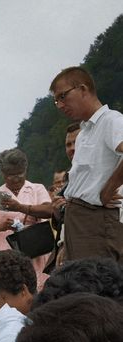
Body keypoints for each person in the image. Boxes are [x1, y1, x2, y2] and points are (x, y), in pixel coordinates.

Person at [50, 66, 123, 261]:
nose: (60, 105)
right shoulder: (84, 133)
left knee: (99, 285)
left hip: (96, 219)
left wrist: (109, 188)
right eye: (56, 101)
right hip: (79, 221)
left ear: (83, 89)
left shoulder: (111, 121)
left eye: (63, 96)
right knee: (80, 284)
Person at [0, 149, 52, 284]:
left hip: (35, 250)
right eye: (11, 175)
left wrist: (20, 207)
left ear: (25, 170)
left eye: (19, 174)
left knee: (37, 286)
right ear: (3, 174)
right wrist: (2, 226)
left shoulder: (37, 189)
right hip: (5, 253)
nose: (16, 178)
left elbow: (49, 211)